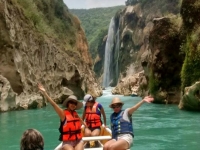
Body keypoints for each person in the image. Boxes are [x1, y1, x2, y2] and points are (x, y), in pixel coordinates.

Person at [38, 83, 84, 150]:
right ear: (68, 104)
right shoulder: (63, 114)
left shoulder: (75, 114)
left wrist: (87, 126)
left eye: (75, 103)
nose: (73, 104)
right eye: (71, 102)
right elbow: (54, 105)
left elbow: (81, 122)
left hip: (78, 140)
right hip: (68, 142)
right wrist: (44, 92)